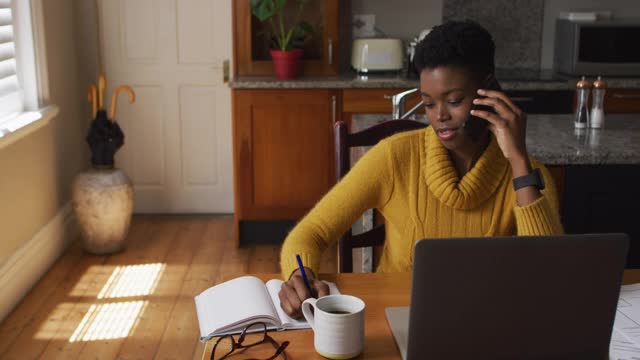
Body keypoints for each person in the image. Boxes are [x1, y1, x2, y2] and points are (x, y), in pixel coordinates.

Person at [277, 20, 564, 318]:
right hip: (398, 317)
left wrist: (518, 159)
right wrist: (302, 276)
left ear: (489, 91)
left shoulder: (526, 175)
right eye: (428, 103)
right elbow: (312, 231)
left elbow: (549, 274)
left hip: (488, 321)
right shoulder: (395, 157)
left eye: (454, 101)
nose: (439, 116)